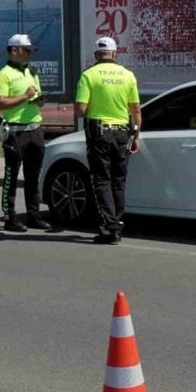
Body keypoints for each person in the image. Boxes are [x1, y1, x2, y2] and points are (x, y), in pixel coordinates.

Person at [75, 36, 141, 244]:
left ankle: (109, 226)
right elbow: (136, 109)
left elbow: (80, 110)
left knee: (102, 180)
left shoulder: (88, 75)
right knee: (118, 181)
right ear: (114, 53)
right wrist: (136, 135)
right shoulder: (128, 75)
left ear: (96, 54)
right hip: (123, 133)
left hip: (100, 133)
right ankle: (117, 223)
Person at [0, 33, 50, 232]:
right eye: (26, 50)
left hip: (35, 129)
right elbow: (1, 103)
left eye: (30, 50)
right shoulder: (4, 74)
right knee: (11, 175)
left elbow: (34, 98)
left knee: (33, 176)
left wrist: (39, 100)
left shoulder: (31, 72)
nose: (29, 54)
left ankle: (33, 215)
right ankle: (10, 217)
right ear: (14, 50)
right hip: (15, 132)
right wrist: (24, 97)